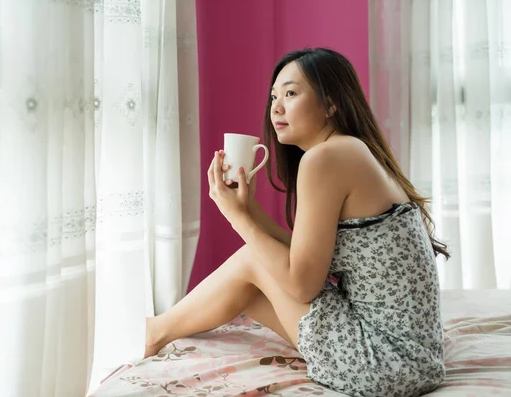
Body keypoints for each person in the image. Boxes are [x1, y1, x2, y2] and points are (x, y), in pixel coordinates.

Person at [145, 48, 448, 397]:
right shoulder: (351, 150)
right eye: (274, 96)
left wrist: (234, 217)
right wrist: (248, 209)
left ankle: (154, 332)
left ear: (331, 104)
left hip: (385, 365)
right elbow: (303, 257)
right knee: (250, 284)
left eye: (290, 93)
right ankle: (158, 330)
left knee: (253, 260)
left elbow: (302, 285)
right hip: (414, 362)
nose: (276, 107)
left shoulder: (327, 158)